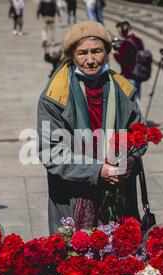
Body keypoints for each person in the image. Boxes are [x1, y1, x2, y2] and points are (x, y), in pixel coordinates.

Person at [37, 21, 147, 234]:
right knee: (79, 259)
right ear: (71, 56)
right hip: (74, 195)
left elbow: (139, 131)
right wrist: (98, 171)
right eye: (82, 53)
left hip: (118, 191)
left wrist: (130, 158)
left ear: (107, 52)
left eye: (96, 51)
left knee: (122, 256)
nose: (90, 60)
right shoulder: (54, 97)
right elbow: (50, 151)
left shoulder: (122, 89)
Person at [113, 21, 144, 106]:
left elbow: (122, 60)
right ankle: (139, 118)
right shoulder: (139, 41)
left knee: (130, 102)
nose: (119, 34)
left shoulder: (126, 43)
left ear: (124, 30)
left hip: (129, 75)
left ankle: (135, 118)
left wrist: (115, 53)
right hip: (138, 74)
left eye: (119, 31)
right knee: (137, 99)